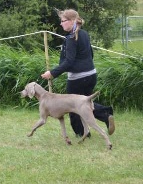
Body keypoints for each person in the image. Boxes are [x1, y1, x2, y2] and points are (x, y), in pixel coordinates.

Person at [41, 9, 115, 137]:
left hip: (78, 79)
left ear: (71, 21)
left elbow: (68, 62)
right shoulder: (84, 34)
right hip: (91, 75)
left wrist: (52, 73)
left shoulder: (71, 39)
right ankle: (106, 114)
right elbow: (91, 54)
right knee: (85, 102)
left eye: (63, 21)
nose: (61, 24)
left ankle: (82, 133)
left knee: (73, 106)